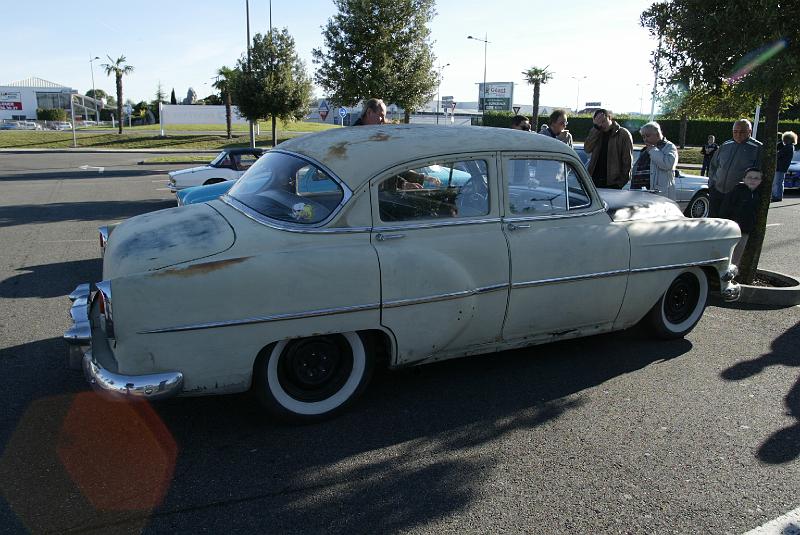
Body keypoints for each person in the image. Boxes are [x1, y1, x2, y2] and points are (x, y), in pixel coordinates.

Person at [708, 119, 763, 217]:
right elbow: (713, 165)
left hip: (738, 197)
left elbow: (759, 173)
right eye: (735, 131)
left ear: (749, 131)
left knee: (730, 224)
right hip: (717, 192)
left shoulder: (757, 148)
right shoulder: (725, 145)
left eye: (742, 132)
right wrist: (712, 184)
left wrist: (745, 192)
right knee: (713, 222)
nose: (738, 135)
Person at [719, 167, 763, 265]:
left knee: (738, 255)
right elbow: (725, 209)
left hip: (745, 230)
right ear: (743, 179)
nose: (752, 180)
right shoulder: (737, 191)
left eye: (756, 178)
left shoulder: (757, 194)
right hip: (732, 229)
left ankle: (733, 270)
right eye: (749, 177)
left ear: (760, 181)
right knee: (727, 253)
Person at [584, 109, 633, 189]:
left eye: (603, 121)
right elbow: (587, 149)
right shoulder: (596, 132)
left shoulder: (623, 134)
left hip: (613, 182)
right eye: (598, 122)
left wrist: (621, 182)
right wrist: (596, 129)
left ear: (609, 117)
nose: (601, 124)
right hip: (594, 179)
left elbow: (627, 160)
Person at [631, 121, 679, 200]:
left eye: (647, 136)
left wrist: (653, 150)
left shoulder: (669, 147)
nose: (645, 139)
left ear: (657, 134)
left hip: (659, 195)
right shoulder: (645, 150)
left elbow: (668, 164)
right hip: (641, 194)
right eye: (643, 137)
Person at [773, 131, 797, 202]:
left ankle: (777, 196)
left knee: (777, 183)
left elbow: (778, 155)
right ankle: (777, 195)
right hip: (782, 167)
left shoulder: (788, 147)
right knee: (779, 182)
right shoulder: (790, 147)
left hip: (780, 167)